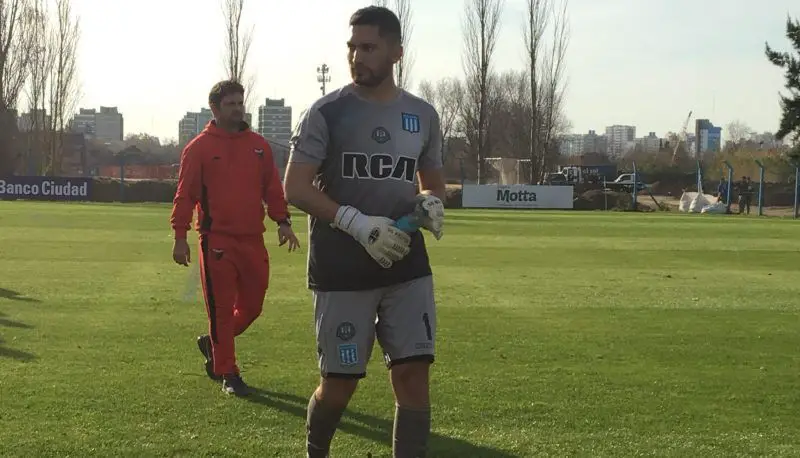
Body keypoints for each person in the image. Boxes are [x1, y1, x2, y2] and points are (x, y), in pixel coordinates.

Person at [283, 6, 446, 458]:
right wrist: (357, 223)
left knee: (413, 374)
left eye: (368, 47)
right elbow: (294, 187)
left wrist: (430, 203)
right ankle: (316, 451)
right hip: (342, 267)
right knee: (339, 384)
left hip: (406, 263)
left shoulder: (423, 115)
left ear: (396, 52)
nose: (357, 56)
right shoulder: (327, 112)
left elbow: (432, 183)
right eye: (352, 47)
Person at [170, 79, 300, 397]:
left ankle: (213, 345)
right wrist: (180, 235)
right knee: (221, 310)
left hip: (253, 239)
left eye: (241, 102)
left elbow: (272, 187)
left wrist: (283, 221)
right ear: (214, 109)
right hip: (216, 241)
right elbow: (184, 194)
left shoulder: (259, 146)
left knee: (253, 306)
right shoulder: (198, 148)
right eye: (231, 104)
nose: (238, 108)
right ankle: (227, 371)